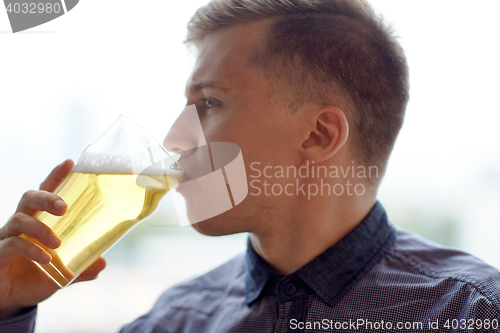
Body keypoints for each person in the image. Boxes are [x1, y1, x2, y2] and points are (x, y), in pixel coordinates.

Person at [1, 0, 500, 332]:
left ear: (320, 135)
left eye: (210, 103)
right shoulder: (175, 319)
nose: (176, 139)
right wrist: (8, 309)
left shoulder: (472, 313)